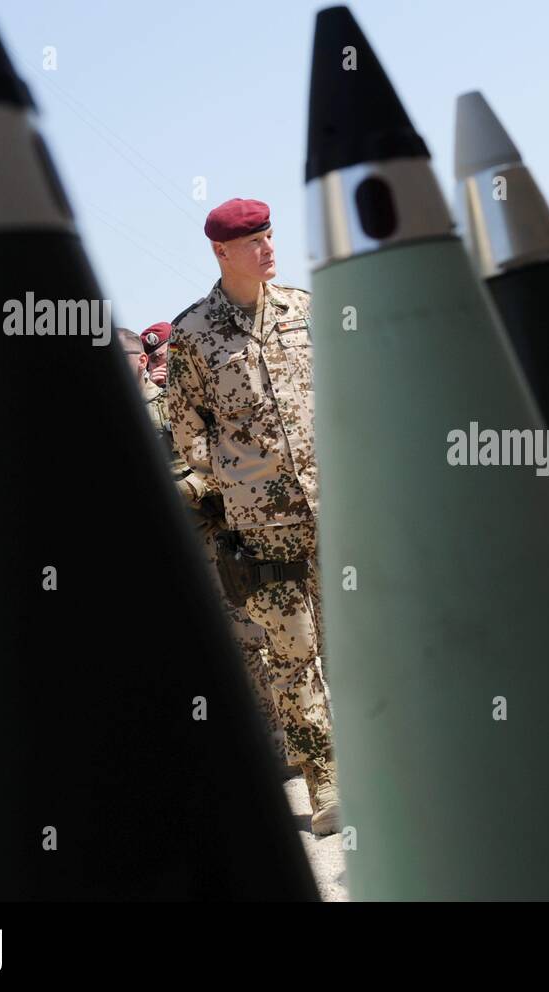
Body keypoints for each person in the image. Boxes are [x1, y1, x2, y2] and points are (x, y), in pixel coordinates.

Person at [167, 198, 339, 834]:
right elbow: (187, 435)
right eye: (255, 242)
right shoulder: (193, 334)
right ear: (221, 251)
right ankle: (327, 785)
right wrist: (237, 486)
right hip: (259, 526)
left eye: (270, 237)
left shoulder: (306, 310)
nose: (269, 249)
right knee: (293, 659)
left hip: (333, 507)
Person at [127, 322, 289, 776]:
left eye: (163, 359)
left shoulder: (181, 401)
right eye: (155, 359)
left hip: (218, 533)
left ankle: (282, 738)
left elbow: (225, 458)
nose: (161, 367)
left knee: (253, 635)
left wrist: (190, 488)